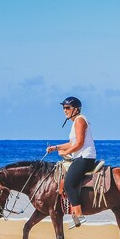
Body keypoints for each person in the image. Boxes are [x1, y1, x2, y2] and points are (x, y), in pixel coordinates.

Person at [47, 96, 97, 228]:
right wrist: (55, 148)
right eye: (64, 108)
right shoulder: (75, 122)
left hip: (85, 157)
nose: (65, 110)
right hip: (81, 156)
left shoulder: (80, 121)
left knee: (69, 184)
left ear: (76, 109)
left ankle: (79, 215)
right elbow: (72, 143)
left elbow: (79, 144)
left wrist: (65, 152)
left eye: (68, 108)